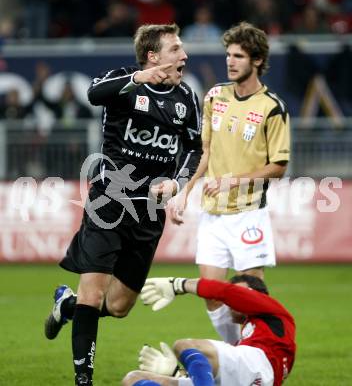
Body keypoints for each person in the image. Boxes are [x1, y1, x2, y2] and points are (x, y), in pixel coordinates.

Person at [44, 23, 202, 386]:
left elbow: (195, 148)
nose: (184, 55)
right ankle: (83, 380)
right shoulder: (122, 80)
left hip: (149, 211)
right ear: (153, 55)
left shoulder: (187, 98)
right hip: (110, 200)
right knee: (93, 290)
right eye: (176, 49)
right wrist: (139, 77)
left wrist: (177, 182)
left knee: (118, 306)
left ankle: (66, 306)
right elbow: (93, 93)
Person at [169, 21, 291, 346]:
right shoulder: (215, 97)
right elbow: (205, 152)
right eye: (228, 55)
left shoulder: (272, 108)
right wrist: (185, 191)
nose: (230, 61)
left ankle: (261, 356)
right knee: (211, 295)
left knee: (250, 294)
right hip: (212, 214)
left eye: (238, 55)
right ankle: (239, 356)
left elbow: (278, 166)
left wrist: (232, 181)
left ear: (257, 61)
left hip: (248, 213)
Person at [122, 274, 296, 386]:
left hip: (261, 369)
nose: (233, 302)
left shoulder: (275, 312)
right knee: (133, 379)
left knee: (185, 345)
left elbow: (226, 292)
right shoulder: (248, 338)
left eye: (242, 293)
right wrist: (178, 373)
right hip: (253, 377)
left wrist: (179, 284)